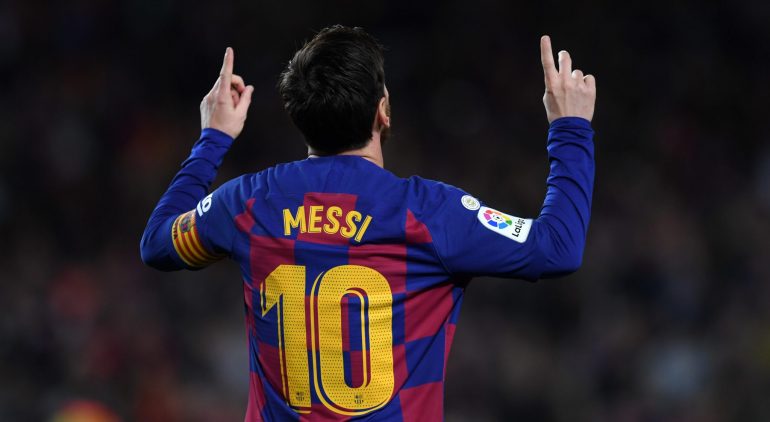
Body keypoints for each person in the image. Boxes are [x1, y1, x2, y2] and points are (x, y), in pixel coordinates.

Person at [140, 25, 596, 421]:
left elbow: (157, 245)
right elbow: (557, 247)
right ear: (383, 110)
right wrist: (570, 128)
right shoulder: (429, 213)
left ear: (300, 118)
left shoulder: (247, 203)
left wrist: (212, 140)